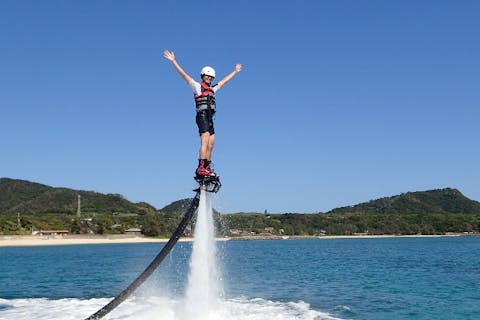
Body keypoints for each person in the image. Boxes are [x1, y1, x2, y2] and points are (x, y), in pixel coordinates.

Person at [163, 50, 242, 179]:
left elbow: (224, 81)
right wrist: (173, 61)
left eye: (211, 77)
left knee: (212, 143)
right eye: (207, 76)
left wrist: (235, 71)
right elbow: (183, 74)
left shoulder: (213, 89)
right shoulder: (197, 87)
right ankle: (200, 168)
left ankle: (207, 167)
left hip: (210, 118)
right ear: (202, 76)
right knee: (204, 141)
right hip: (202, 116)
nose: (209, 78)